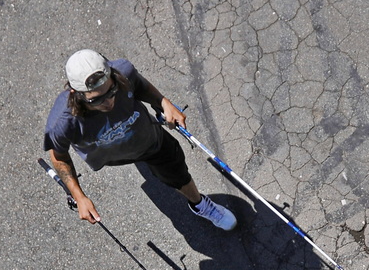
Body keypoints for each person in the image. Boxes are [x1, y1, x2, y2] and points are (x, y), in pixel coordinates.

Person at [43, 49, 237, 230]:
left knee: (177, 172)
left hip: (151, 141)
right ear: (75, 93)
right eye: (96, 100)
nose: (108, 102)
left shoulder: (123, 72)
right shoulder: (61, 123)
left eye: (111, 92)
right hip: (111, 156)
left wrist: (163, 103)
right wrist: (79, 195)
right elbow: (59, 157)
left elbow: (142, 87)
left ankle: (198, 204)